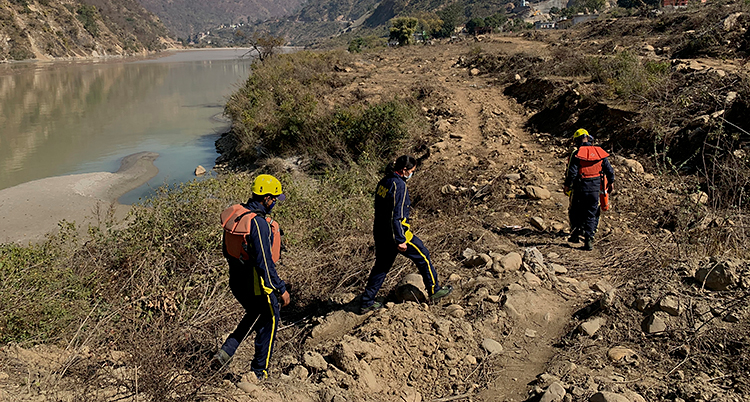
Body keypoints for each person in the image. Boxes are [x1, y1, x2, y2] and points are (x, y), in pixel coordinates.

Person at [213, 174, 291, 379]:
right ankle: (259, 372)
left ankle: (227, 351)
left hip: (236, 280)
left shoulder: (238, 216)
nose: (275, 202)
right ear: (265, 198)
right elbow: (264, 263)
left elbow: (226, 251)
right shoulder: (259, 223)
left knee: (256, 312)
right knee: (271, 316)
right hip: (255, 281)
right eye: (274, 198)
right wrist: (281, 288)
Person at [360, 155, 453, 314]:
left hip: (381, 232)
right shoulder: (399, 186)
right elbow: (396, 215)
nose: (412, 174)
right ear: (404, 170)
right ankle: (434, 290)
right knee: (423, 256)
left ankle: (367, 302)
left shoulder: (383, 182)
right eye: (412, 171)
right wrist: (400, 240)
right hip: (397, 234)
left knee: (381, 267)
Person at [563, 129, 615, 251]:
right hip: (594, 190)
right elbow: (609, 170)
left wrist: (567, 185)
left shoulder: (577, 153)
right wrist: (611, 182)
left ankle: (575, 235)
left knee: (575, 211)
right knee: (592, 214)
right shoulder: (599, 152)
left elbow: (572, 173)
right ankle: (588, 240)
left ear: (577, 140)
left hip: (579, 189)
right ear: (589, 138)